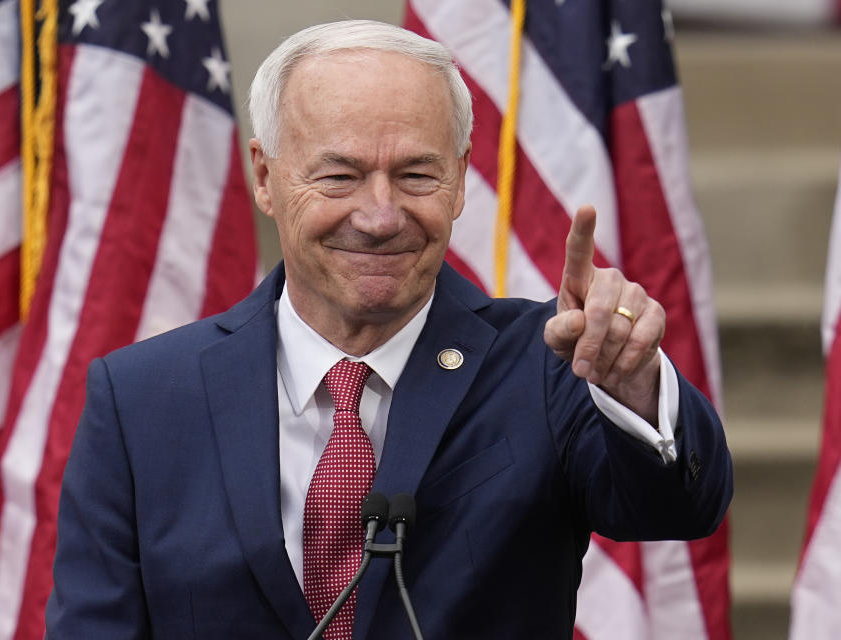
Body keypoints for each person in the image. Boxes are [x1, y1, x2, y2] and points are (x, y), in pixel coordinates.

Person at [45, 20, 732, 639]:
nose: (379, 216)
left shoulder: (549, 367)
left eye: (415, 175)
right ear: (265, 176)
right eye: (340, 176)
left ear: (461, 180)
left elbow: (680, 507)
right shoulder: (140, 400)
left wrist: (637, 387)